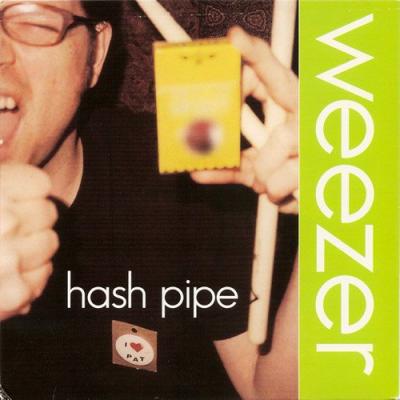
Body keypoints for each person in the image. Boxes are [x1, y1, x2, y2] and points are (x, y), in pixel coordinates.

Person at [0, 1, 298, 399]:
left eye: (33, 20)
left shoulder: (187, 185)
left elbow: (276, 393)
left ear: (95, 55)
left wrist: (340, 213)